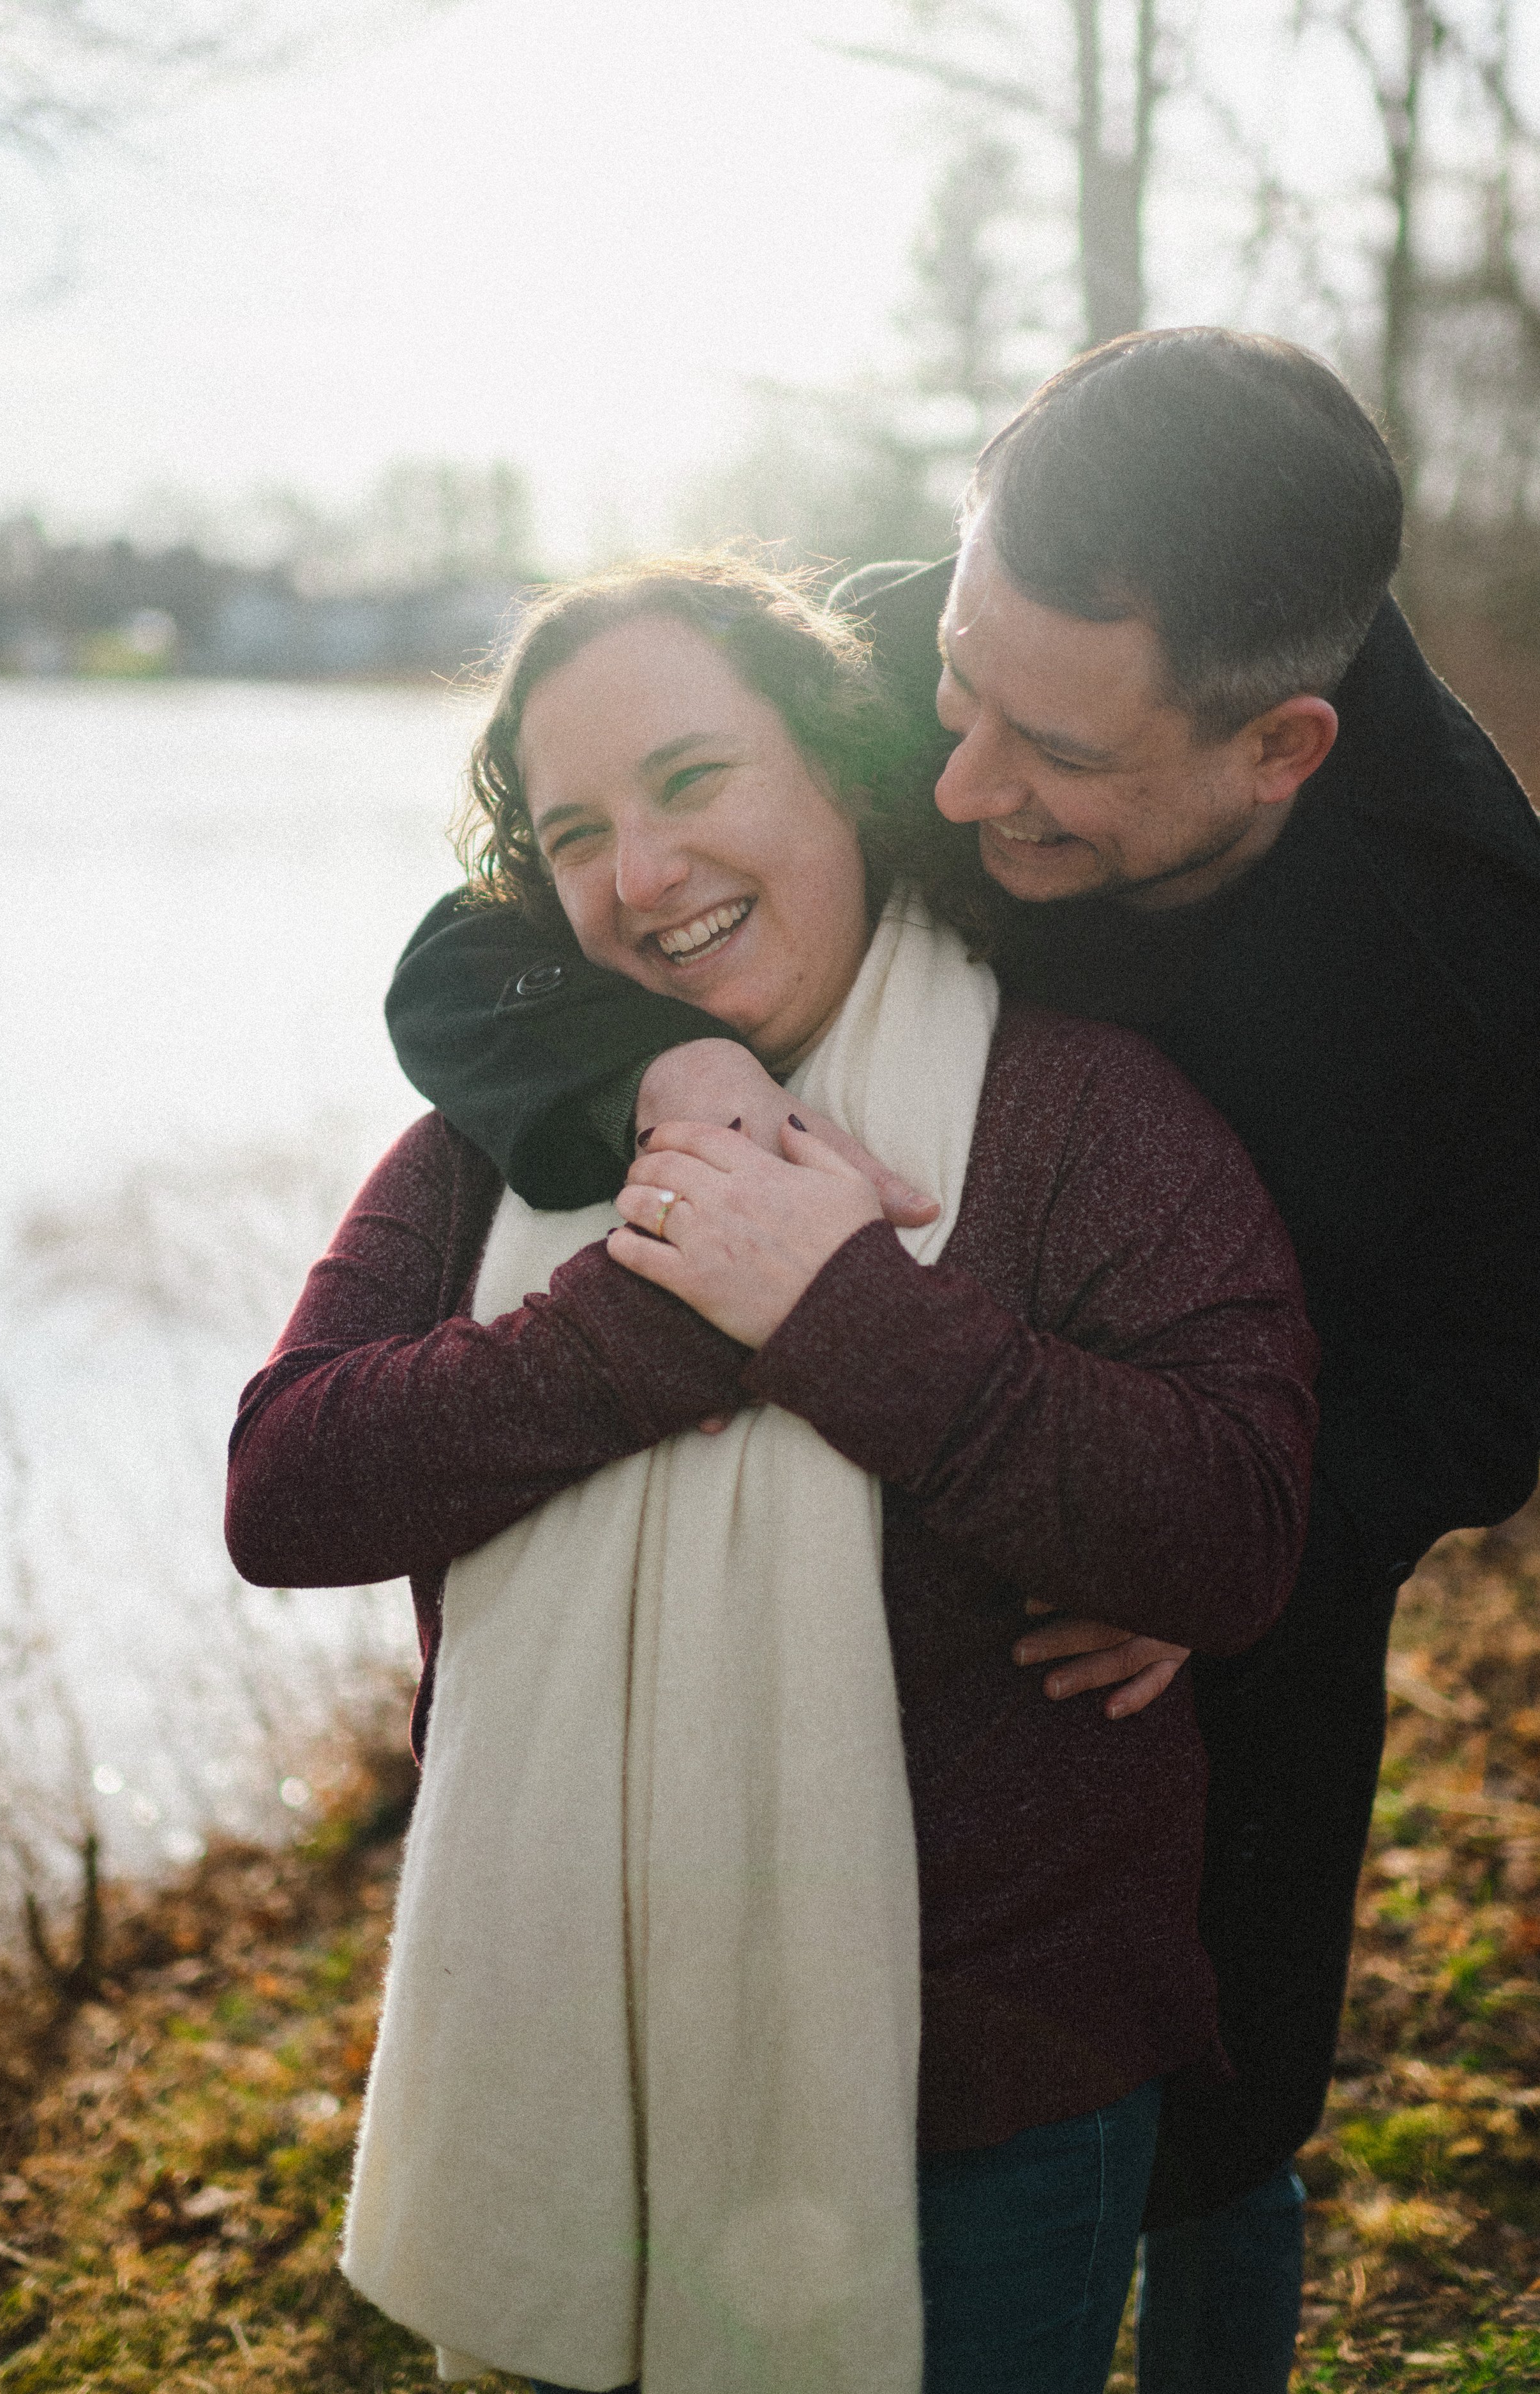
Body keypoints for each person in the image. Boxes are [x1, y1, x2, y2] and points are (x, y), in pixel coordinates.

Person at [380, 333, 1540, 2393]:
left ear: (1279, 749)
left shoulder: (1473, 959)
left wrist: (1233, 1552)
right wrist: (668, 1064)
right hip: (866, 1536)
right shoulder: (911, 649)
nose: (963, 779)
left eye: (1055, 760)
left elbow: (1494, 1370)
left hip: (1222, 1606)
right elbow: (479, 943)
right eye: (957, 696)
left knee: (1216, 2108)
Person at [226, 557, 1319, 2394]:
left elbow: (1228, 1528)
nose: (640, 873)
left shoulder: (1083, 1112)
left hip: (983, 2109)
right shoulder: (490, 1156)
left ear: (841, 779)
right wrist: (652, 1319)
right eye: (575, 830)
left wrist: (836, 1306)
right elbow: (286, 1489)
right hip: (577, 2079)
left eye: (691, 780)